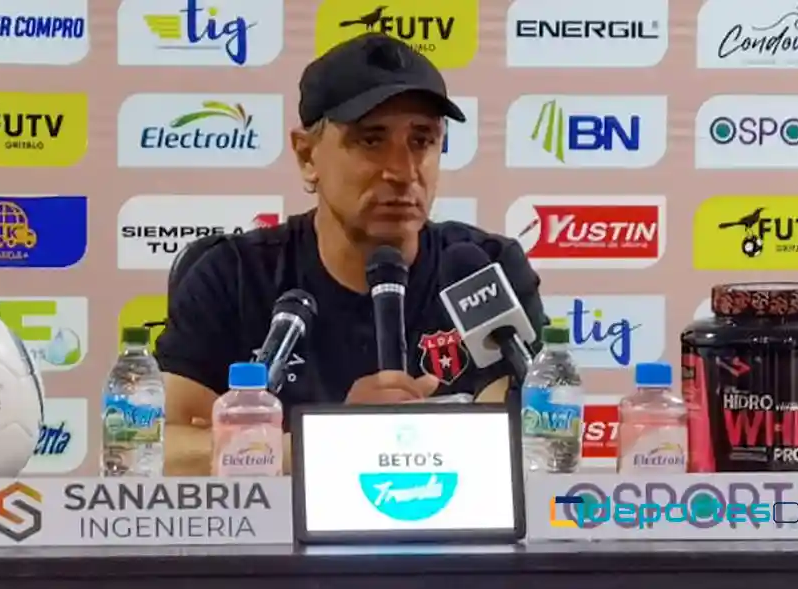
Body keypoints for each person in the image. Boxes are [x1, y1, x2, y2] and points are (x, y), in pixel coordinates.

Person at [157, 33, 547, 436]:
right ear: (307, 155)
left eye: (422, 140)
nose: (403, 171)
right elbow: (164, 447)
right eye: (371, 140)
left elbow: (528, 438)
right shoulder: (233, 276)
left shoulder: (485, 270)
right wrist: (338, 439)